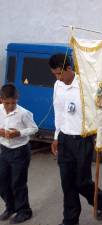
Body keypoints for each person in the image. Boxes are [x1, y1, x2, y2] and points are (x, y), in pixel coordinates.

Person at [48, 54, 102, 225]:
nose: (58, 78)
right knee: (67, 183)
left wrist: (101, 136)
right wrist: (56, 136)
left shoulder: (88, 85)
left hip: (83, 140)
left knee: (81, 182)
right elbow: (58, 112)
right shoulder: (57, 85)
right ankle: (70, 220)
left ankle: (99, 200)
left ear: (69, 68)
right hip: (65, 139)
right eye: (54, 74)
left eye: (59, 73)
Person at [0, 84, 38, 223]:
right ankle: (10, 207)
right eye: (6, 103)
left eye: (13, 103)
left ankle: (24, 211)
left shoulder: (24, 113)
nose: (10, 106)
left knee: (18, 183)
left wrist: (19, 133)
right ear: (1, 100)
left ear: (17, 98)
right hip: (4, 150)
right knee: (2, 181)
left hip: (20, 152)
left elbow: (34, 128)